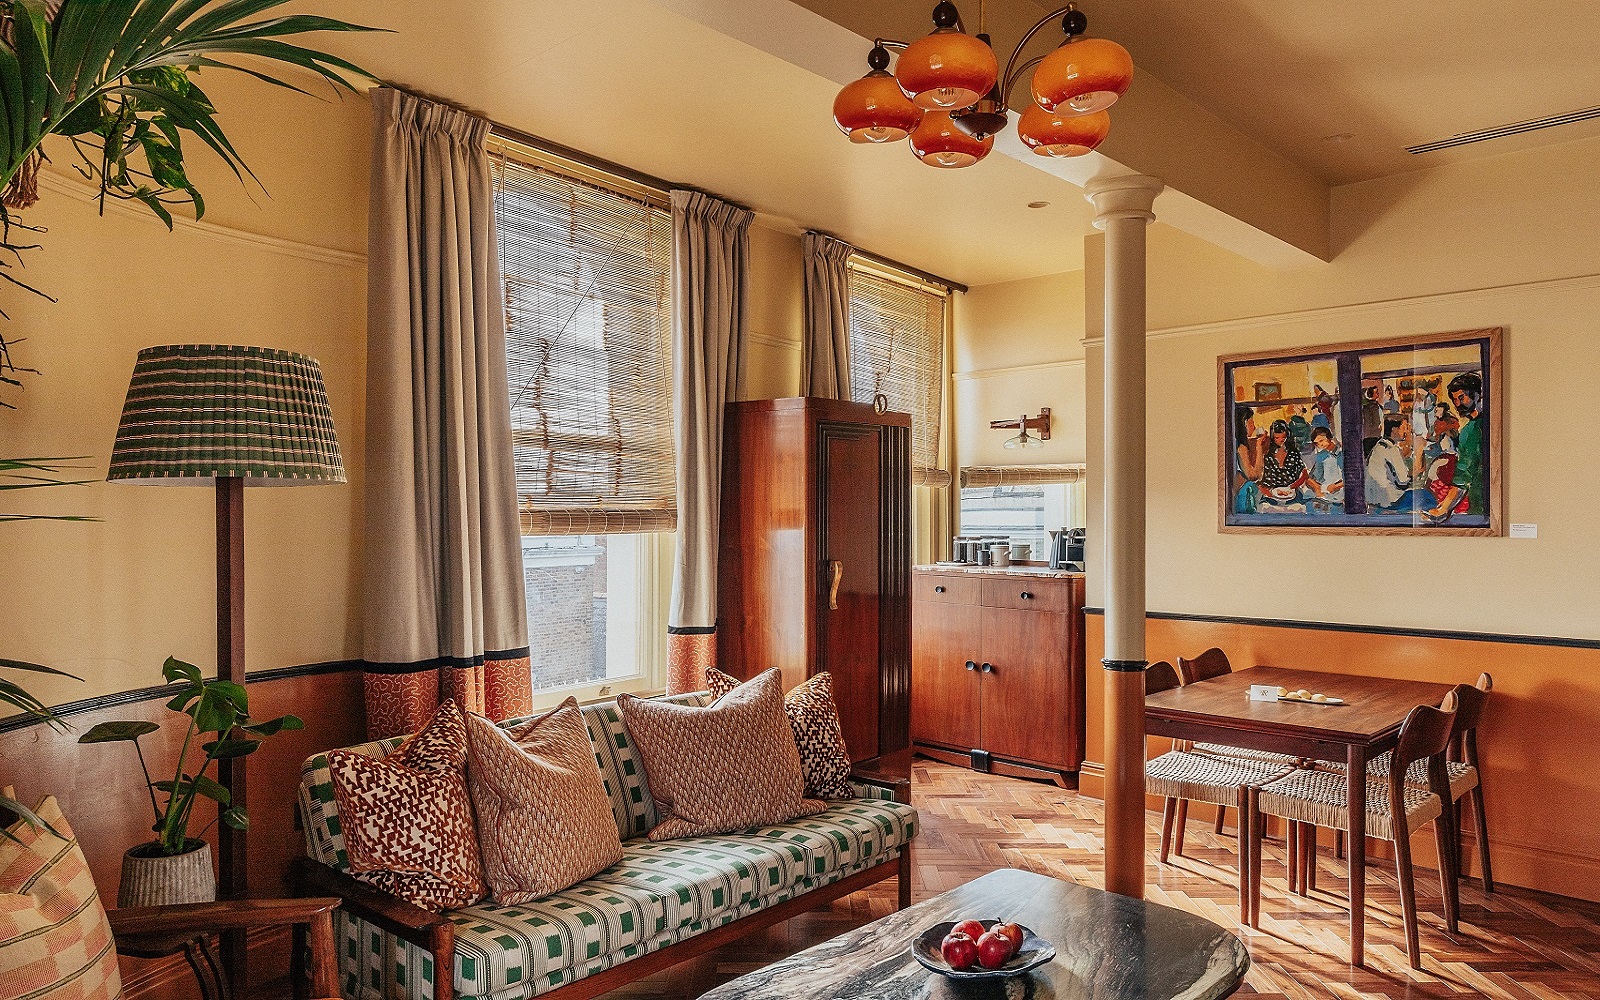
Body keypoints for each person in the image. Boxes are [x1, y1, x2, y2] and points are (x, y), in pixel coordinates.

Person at [1427, 372, 1487, 521]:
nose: (1458, 404)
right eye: (1454, 399)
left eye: (1461, 397)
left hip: (1479, 504)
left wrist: (1444, 508)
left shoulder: (1472, 430)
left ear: (1476, 394)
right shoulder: (1483, 422)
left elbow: (1463, 476)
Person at [1365, 415, 1431, 514]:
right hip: (1390, 500)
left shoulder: (1380, 446)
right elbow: (1403, 482)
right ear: (1394, 429)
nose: (1406, 432)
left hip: (1375, 498)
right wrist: (1419, 456)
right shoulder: (1392, 449)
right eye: (1404, 428)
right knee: (1427, 496)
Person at [1258, 419, 1309, 505]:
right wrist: (1268, 493)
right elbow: (1259, 481)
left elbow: (1304, 474)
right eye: (1277, 438)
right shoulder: (1267, 454)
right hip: (1270, 496)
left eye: (1284, 437)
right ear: (1272, 437)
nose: (1281, 440)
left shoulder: (1293, 452)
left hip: (1292, 494)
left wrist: (1291, 487)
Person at [1232, 404, 1265, 513]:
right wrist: (1259, 446)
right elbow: (1254, 475)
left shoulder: (1235, 443)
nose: (1254, 427)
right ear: (1244, 424)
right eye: (1251, 423)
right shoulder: (1241, 447)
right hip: (1240, 496)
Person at [1307, 426, 1344, 514]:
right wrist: (1316, 487)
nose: (1320, 444)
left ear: (1329, 437)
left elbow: (1351, 479)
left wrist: (1335, 486)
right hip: (1323, 495)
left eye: (1321, 440)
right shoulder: (1321, 455)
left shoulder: (1342, 454)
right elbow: (1310, 478)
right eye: (1317, 443)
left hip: (1339, 496)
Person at [1362, 387, 1383, 458]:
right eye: (1376, 392)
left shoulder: (1372, 406)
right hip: (1373, 436)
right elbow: (1376, 422)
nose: (1378, 394)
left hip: (1370, 436)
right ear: (1371, 395)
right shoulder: (1372, 407)